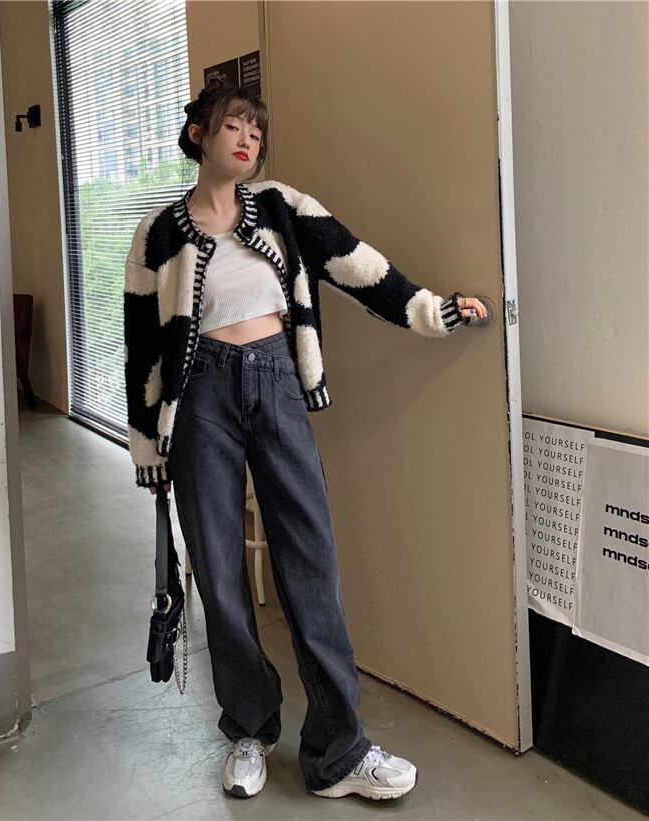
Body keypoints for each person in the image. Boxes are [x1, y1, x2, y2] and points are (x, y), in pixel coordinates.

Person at [123, 78, 487, 801]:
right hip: (198, 401)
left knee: (310, 561)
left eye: (257, 129)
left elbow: (360, 267)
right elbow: (142, 347)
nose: (249, 138)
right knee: (219, 570)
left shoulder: (283, 207)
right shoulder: (158, 233)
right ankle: (250, 728)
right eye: (234, 124)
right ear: (199, 133)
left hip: (276, 382)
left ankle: (337, 752)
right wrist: (146, 446)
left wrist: (433, 311)